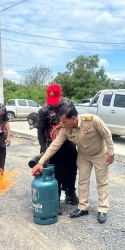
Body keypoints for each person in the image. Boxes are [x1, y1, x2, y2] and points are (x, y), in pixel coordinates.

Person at [32, 105, 115, 224]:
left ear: (74, 118)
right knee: (83, 181)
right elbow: (55, 145)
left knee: (102, 181)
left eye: (64, 121)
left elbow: (107, 134)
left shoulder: (93, 120)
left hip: (100, 153)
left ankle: (102, 209)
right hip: (84, 155)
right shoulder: (65, 128)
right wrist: (40, 162)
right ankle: (83, 207)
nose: (62, 124)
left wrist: (111, 153)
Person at [37, 84, 79, 215]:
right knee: (57, 174)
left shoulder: (68, 104)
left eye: (56, 100)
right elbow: (40, 130)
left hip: (69, 143)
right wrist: (44, 148)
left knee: (72, 170)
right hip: (52, 145)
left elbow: (75, 121)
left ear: (61, 94)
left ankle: (70, 195)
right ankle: (55, 201)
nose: (53, 104)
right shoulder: (44, 109)